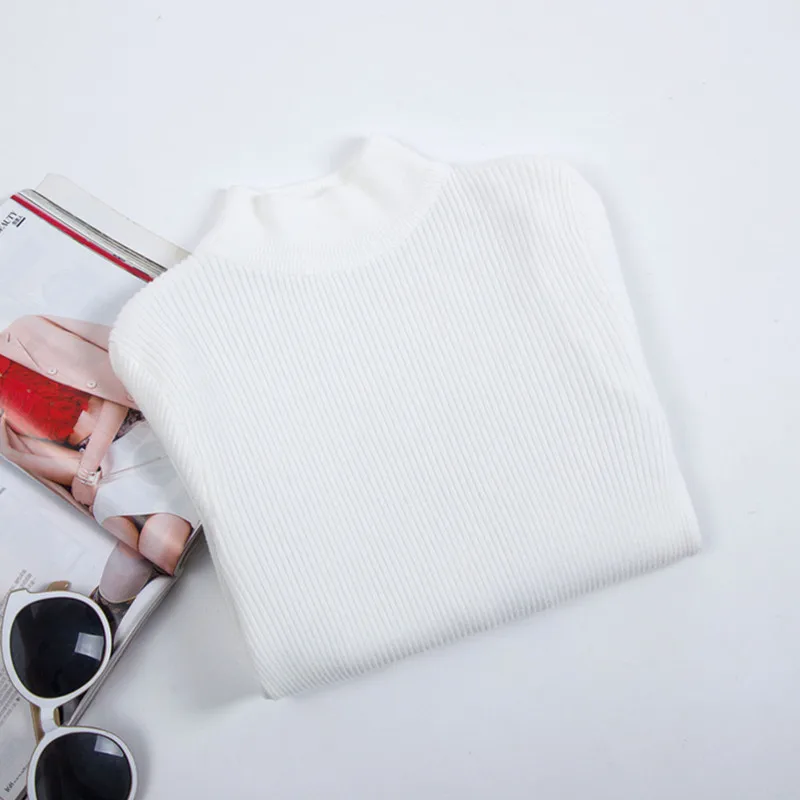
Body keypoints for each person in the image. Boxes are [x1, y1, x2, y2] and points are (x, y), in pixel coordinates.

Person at [0, 316, 198, 588]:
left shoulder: (26, 332)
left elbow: (118, 388)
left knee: (162, 547)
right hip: (100, 472)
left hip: (136, 434)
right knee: (141, 555)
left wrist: (85, 471)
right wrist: (10, 454)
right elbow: (64, 466)